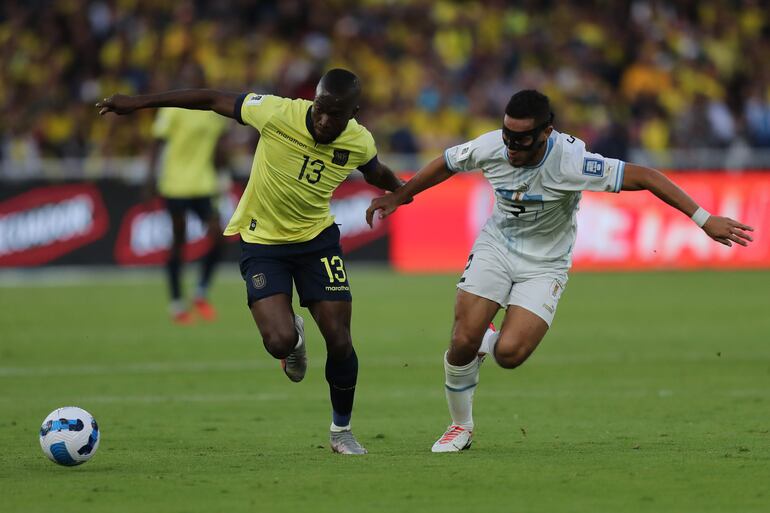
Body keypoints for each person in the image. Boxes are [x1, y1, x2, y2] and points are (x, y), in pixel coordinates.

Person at [366, 89, 754, 453]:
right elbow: (447, 163)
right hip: (496, 248)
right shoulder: (491, 146)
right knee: (461, 340)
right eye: (507, 136)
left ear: (546, 133)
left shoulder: (573, 162)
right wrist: (401, 195)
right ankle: (461, 426)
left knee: (509, 354)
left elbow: (648, 177)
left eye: (521, 139)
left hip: (546, 264)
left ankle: (488, 343)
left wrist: (703, 219)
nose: (511, 146)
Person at [98, 68, 405, 455]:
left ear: (353, 113)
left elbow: (376, 171)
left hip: (318, 243)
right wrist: (138, 103)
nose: (326, 121)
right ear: (313, 99)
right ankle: (293, 337)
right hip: (263, 243)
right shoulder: (275, 112)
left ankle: (341, 431)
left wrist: (403, 191)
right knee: (279, 342)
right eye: (321, 109)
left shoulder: (358, 141)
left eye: (337, 115)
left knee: (340, 341)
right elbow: (211, 98)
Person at [145, 63, 228, 325]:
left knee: (218, 236)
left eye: (195, 79)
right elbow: (157, 142)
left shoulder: (213, 111)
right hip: (176, 184)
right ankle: (177, 303)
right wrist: (149, 177)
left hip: (204, 183)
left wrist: (222, 172)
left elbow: (217, 149)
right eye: (187, 79)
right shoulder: (172, 109)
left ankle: (200, 291)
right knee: (179, 241)